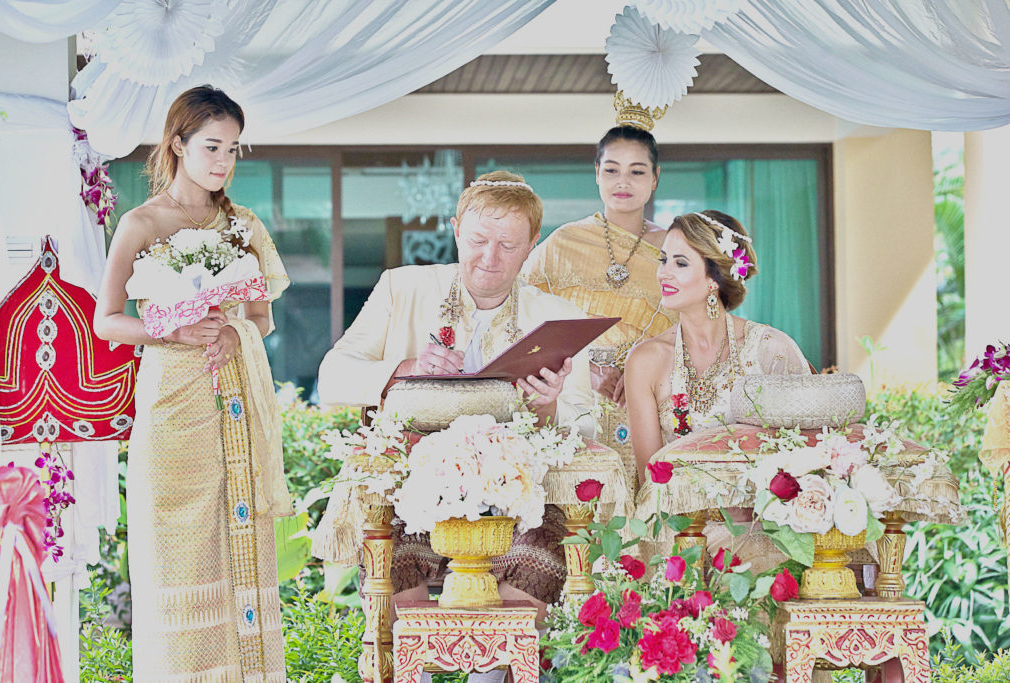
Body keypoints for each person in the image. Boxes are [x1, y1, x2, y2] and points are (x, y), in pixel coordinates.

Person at [316, 171, 594, 635]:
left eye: (508, 245)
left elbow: (585, 429)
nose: (490, 258)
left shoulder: (559, 316)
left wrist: (547, 406)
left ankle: (495, 671)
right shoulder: (400, 288)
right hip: (412, 488)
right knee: (394, 556)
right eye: (478, 240)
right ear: (455, 230)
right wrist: (406, 369)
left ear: (532, 244)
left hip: (518, 495)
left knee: (542, 553)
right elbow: (332, 377)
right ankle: (415, 670)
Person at [94, 86, 289, 682]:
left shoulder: (242, 225)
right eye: (211, 146)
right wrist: (172, 329)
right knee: (178, 558)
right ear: (177, 144)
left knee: (238, 543)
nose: (223, 161)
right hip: (172, 411)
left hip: (232, 399)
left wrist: (237, 334)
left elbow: (261, 318)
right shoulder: (141, 222)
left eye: (233, 148)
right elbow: (106, 321)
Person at [523, 125, 675, 492]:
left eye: (637, 171)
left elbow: (692, 326)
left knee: (652, 505)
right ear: (596, 172)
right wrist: (583, 372)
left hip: (653, 402)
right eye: (612, 169)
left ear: (655, 178)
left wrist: (642, 374)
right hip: (576, 403)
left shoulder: (673, 249)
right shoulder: (564, 243)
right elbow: (524, 318)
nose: (623, 181)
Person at [626, 210, 810, 475]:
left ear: (715, 276)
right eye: (663, 260)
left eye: (680, 263)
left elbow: (805, 456)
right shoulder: (645, 360)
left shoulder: (772, 350)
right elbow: (651, 479)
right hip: (679, 513)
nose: (663, 274)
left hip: (763, 513)